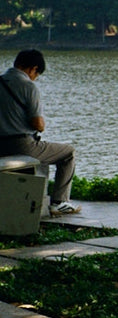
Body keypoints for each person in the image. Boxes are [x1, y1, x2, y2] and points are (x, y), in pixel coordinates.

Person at [0, 49, 81, 215]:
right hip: (21, 146)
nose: (35, 78)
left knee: (43, 155)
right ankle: (60, 202)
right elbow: (38, 124)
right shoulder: (28, 86)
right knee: (68, 153)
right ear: (33, 69)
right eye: (37, 74)